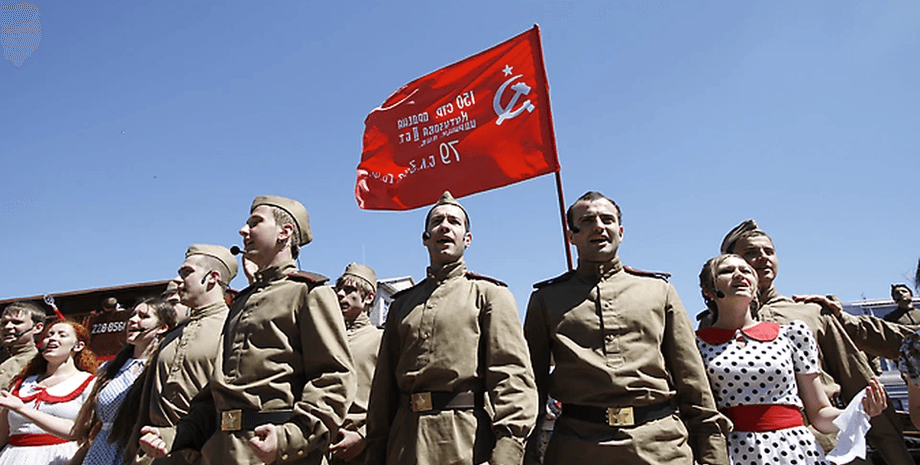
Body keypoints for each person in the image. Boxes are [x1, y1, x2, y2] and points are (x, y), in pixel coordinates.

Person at [139, 195, 355, 464]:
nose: (243, 230)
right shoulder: (241, 301)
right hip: (222, 451)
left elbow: (333, 377)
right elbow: (216, 393)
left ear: (285, 232)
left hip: (278, 454)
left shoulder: (309, 293)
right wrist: (177, 434)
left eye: (255, 223)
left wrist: (291, 437)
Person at [523, 191, 730, 465]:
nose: (599, 226)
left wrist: (713, 456)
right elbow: (531, 386)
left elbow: (692, 381)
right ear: (571, 235)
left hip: (661, 448)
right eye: (587, 221)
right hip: (577, 449)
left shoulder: (659, 291)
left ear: (620, 232)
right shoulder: (546, 299)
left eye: (607, 220)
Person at [714, 219, 911, 465]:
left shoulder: (810, 313)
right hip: (747, 450)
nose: (763, 257)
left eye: (769, 251)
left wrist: (897, 457)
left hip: (827, 445)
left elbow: (858, 382)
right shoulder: (711, 328)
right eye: (751, 252)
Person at [365, 191, 538, 465]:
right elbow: (382, 392)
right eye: (437, 222)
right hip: (404, 444)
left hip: (465, 443)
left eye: (454, 222)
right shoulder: (402, 305)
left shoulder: (489, 295)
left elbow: (511, 376)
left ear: (467, 239)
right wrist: (376, 450)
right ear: (425, 238)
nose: (444, 226)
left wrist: (508, 450)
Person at [116, 244, 237, 465]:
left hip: (206, 456)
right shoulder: (171, 336)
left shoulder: (233, 329)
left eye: (186, 273)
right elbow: (146, 406)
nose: (177, 280)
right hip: (153, 455)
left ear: (212, 278)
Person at [74, 299, 177, 465]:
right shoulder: (110, 368)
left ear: (162, 328)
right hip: (102, 449)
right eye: (132, 315)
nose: (133, 320)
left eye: (143, 316)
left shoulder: (162, 368)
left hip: (137, 450)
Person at [0, 320, 99, 465]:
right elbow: (2, 435)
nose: (52, 338)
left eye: (62, 335)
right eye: (49, 335)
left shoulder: (89, 383)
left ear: (78, 346)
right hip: (13, 458)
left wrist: (22, 409)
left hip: (62, 458)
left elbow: (83, 432)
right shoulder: (21, 383)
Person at [328, 263, 381, 464]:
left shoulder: (381, 340)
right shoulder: (326, 339)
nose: (340, 295)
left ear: (369, 297)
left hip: (364, 449)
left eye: (349, 290)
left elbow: (390, 398)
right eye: (339, 289)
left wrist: (363, 435)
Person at [0, 302, 46, 390]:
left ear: (37, 328)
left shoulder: (38, 362)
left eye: (16, 322)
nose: (7, 327)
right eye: (4, 323)